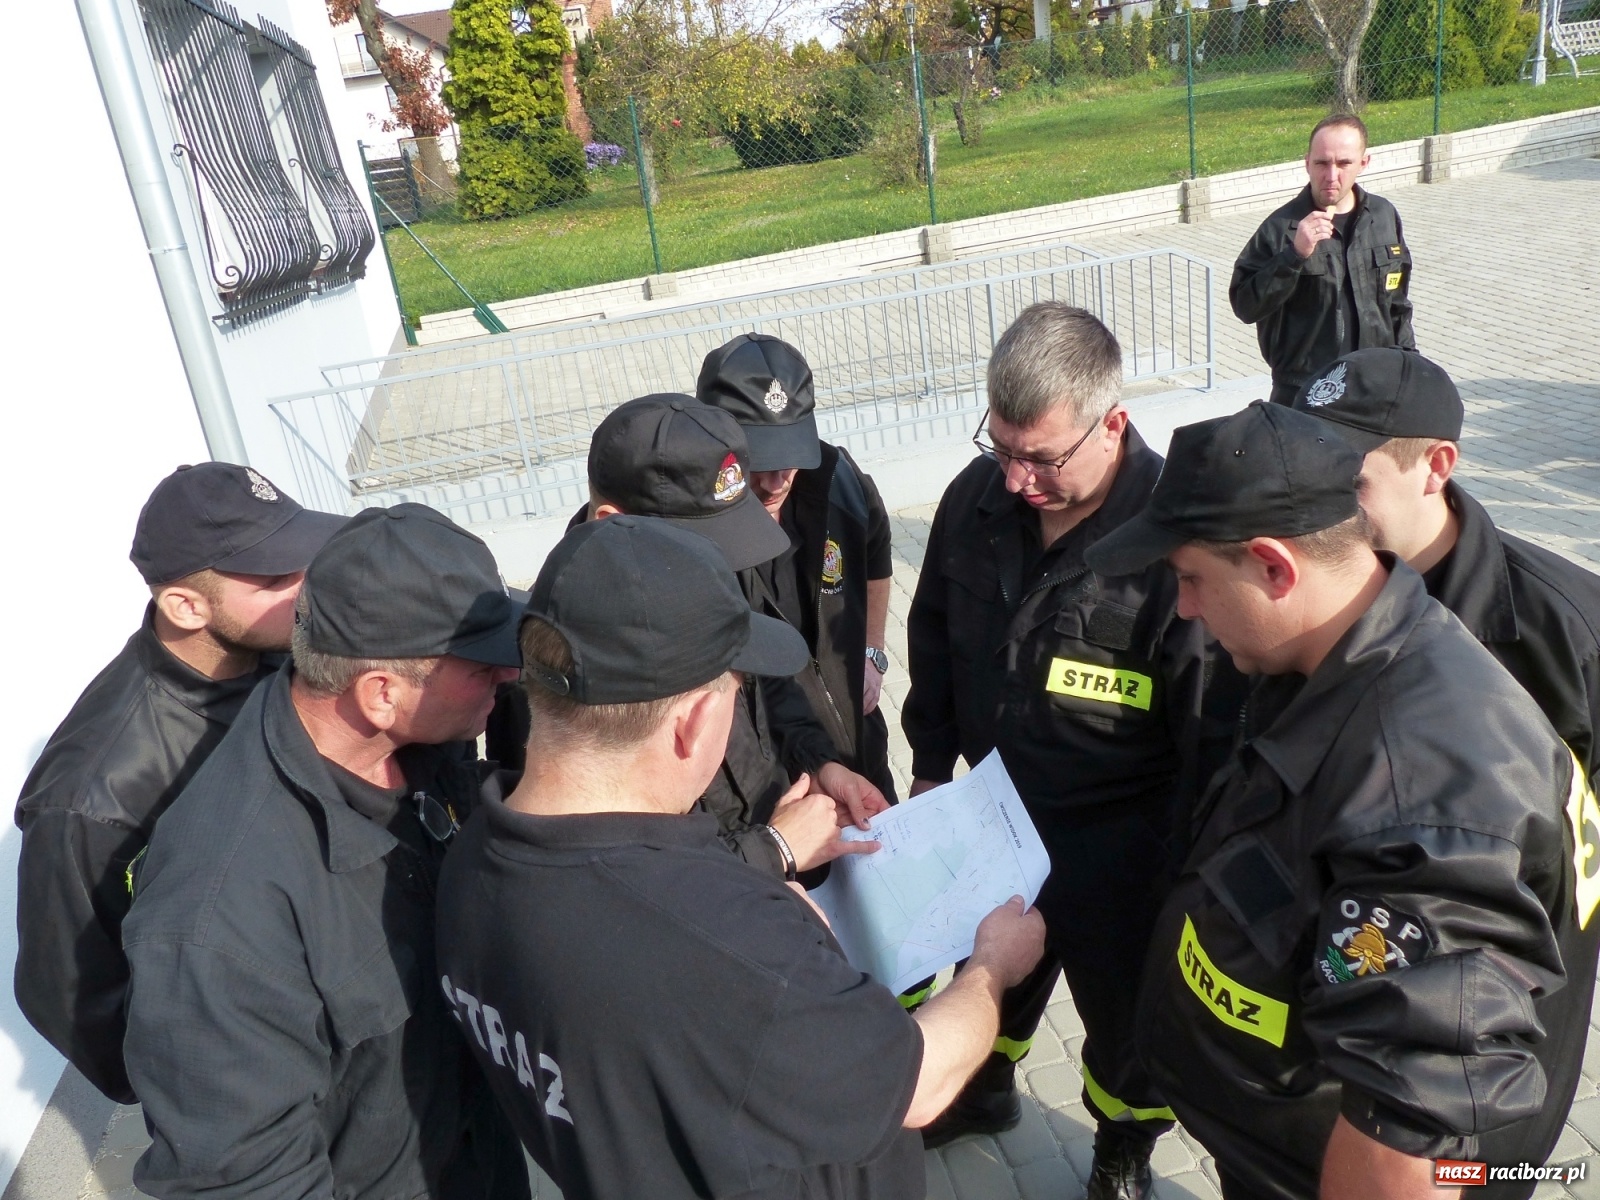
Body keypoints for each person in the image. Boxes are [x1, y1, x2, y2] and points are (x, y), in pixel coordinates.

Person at [435, 514, 1048, 1200]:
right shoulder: (725, 944)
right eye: (733, 694)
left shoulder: (466, 860)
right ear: (694, 722)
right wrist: (993, 965)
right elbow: (921, 1083)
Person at [1085, 401, 1578, 1200]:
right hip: (1273, 1144)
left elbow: (1404, 1145)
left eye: (1191, 579)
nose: (1183, 610)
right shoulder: (1322, 654)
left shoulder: (1425, 786)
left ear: (1277, 567)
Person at [902, 303, 1240, 1194]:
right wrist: (930, 767)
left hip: (1124, 843)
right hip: (997, 810)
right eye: (1001, 447)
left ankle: (1122, 1151)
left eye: (1040, 458)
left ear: (1113, 424)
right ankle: (982, 1090)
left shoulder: (1175, 546)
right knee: (993, 973)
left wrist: (1193, 875)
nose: (1016, 480)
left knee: (1123, 1020)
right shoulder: (975, 502)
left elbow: (1209, 727)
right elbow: (931, 630)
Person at [121, 503, 528, 1200]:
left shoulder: (418, 746)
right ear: (380, 694)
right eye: (483, 668)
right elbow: (240, 1179)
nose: (509, 678)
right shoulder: (220, 916)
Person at [1290, 347, 1600, 1200]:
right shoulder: (1313, 598)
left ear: (1436, 468)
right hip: (1343, 1033)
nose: (1321, 508)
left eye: (1348, 483)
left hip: (1494, 1063)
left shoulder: (1566, 631)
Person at [13, 462, 343, 1103]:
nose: (308, 589)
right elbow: (70, 997)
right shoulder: (91, 797)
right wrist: (217, 1083)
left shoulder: (277, 650)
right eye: (277, 578)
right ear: (186, 606)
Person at [484, 393, 888, 879]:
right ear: (615, 523)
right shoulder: (554, 674)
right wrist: (771, 851)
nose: (726, 565)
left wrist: (821, 764)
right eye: (706, 543)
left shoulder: (709, 567)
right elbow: (617, 879)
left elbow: (770, 679)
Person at [697, 332, 899, 801]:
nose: (775, 481)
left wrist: (872, 651)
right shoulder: (697, 535)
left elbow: (877, 549)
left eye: (789, 457)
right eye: (758, 462)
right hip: (779, 781)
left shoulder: (838, 479)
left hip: (860, 745)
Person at [1231, 114, 1415, 406]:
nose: (1331, 175)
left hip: (1374, 386)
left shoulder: (1382, 217)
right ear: (1307, 162)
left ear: (1363, 163)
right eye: (1321, 163)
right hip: (1305, 393)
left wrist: (1409, 368)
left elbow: (1397, 306)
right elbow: (1245, 306)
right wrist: (1294, 256)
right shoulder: (1281, 228)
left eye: (1344, 163)